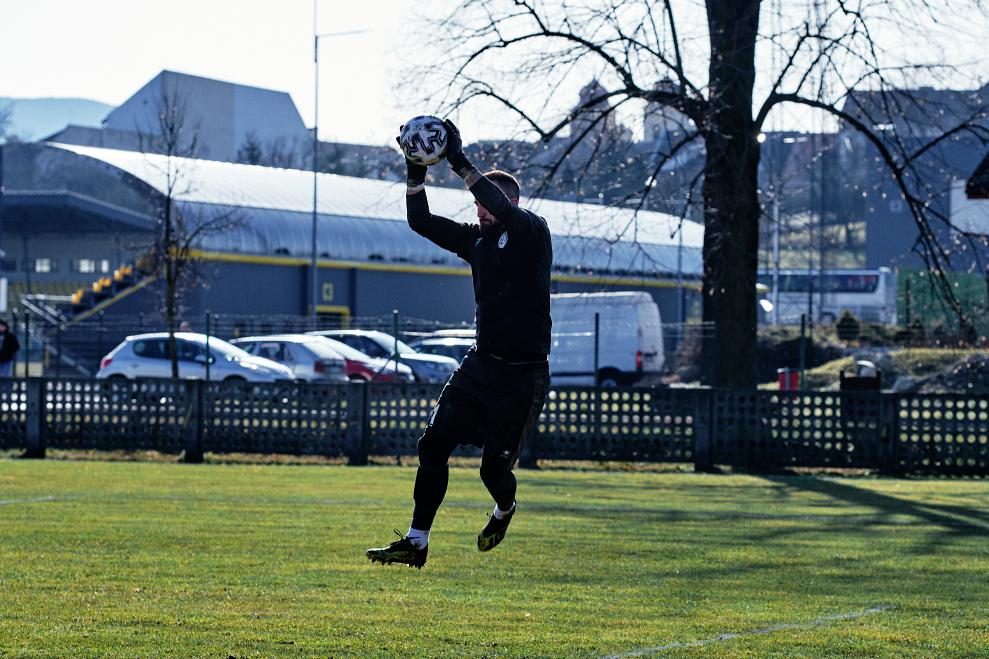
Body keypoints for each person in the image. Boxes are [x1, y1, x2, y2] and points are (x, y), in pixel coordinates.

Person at [366, 120, 553, 569]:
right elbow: (421, 221)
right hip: (480, 365)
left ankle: (505, 508)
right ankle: (416, 542)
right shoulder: (477, 241)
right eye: (477, 206)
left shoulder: (532, 231)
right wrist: (415, 171)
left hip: (522, 376)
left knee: (493, 471)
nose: (480, 212)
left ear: (511, 204)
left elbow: (498, 204)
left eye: (486, 205)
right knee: (432, 446)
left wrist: (457, 159)